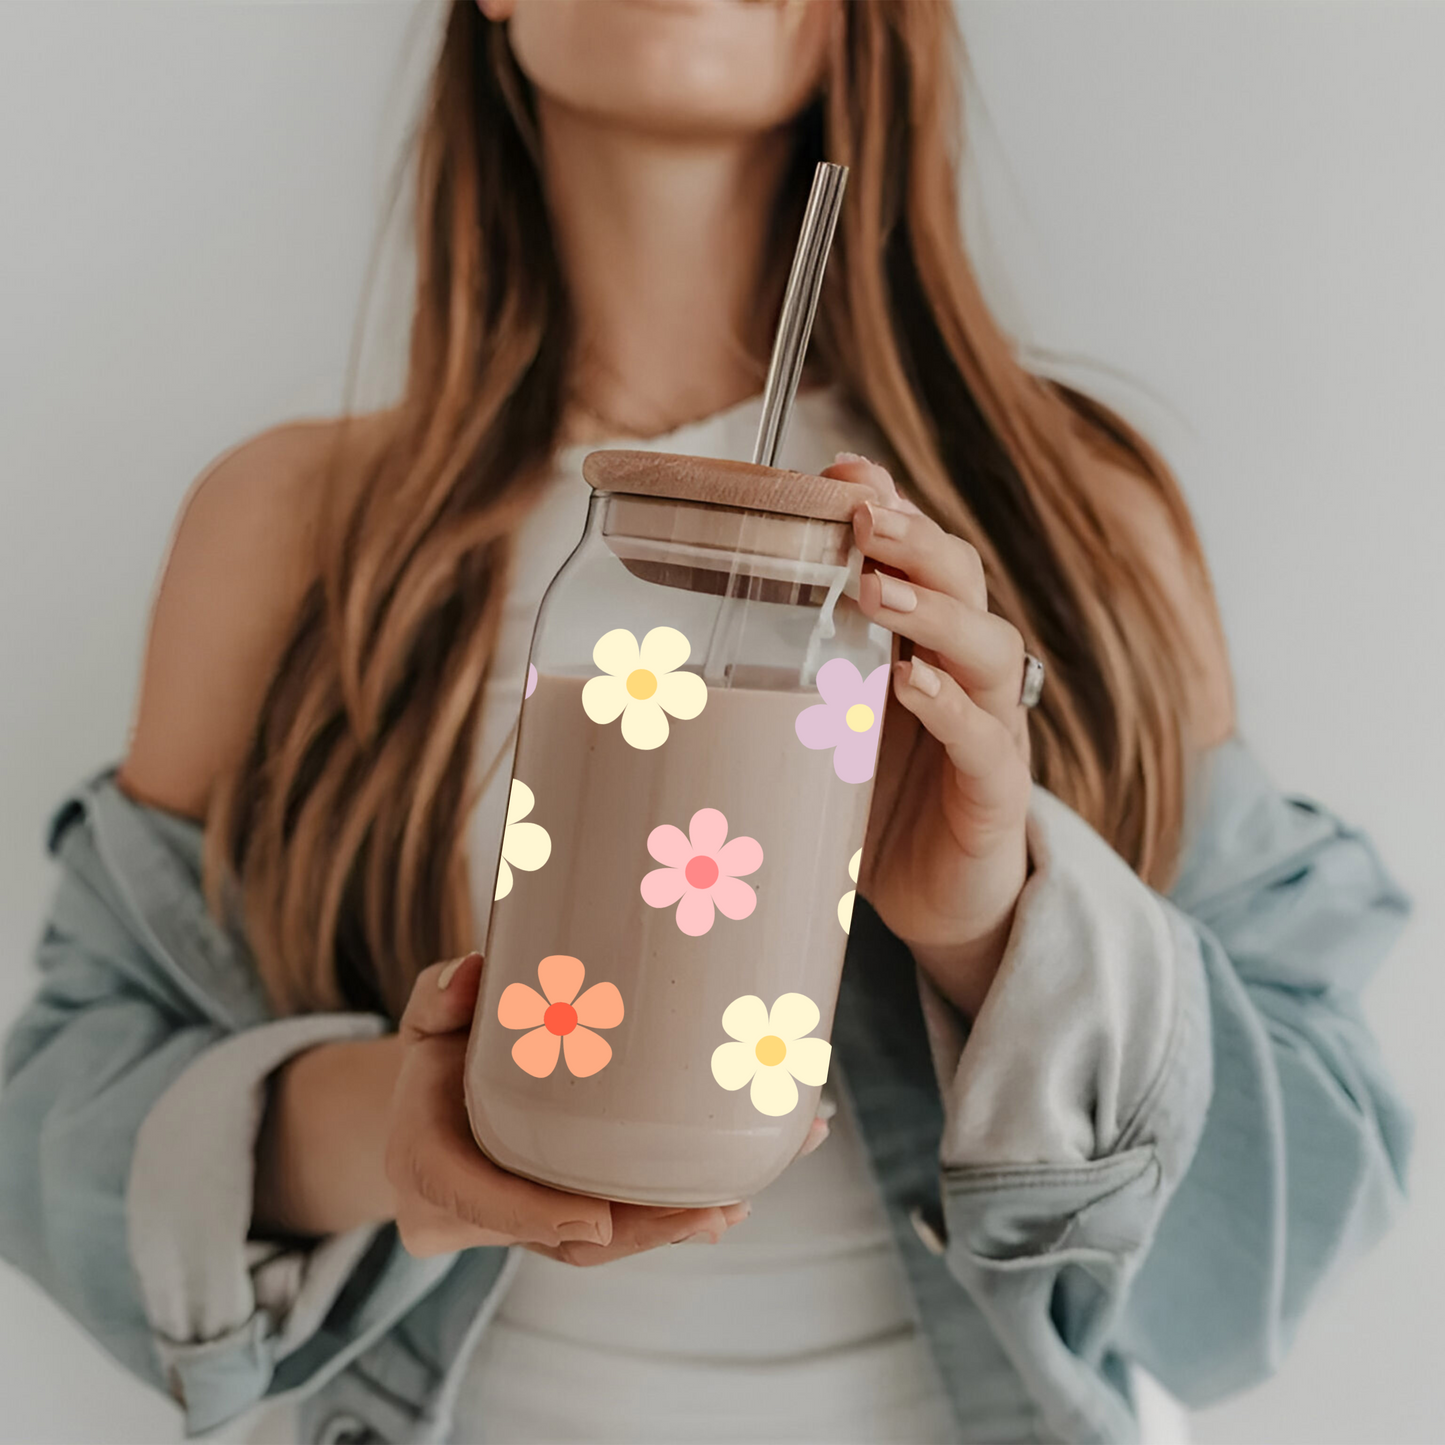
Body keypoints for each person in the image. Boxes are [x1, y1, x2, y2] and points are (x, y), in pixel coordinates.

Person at [0, 2, 1414, 1443]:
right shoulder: (296, 537)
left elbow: (1292, 1216)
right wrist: (400, 1128)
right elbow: (64, 1117)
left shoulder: (1067, 522)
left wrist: (998, 927)